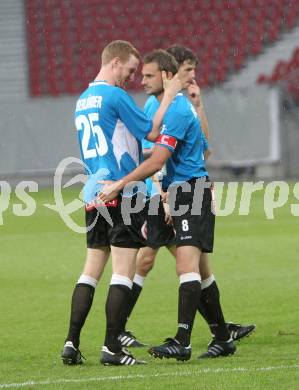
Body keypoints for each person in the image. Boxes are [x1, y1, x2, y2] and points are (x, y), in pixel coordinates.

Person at [99, 48, 236, 361]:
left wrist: (121, 183)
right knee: (190, 268)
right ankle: (221, 336)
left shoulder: (176, 109)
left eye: (148, 75)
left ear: (165, 75)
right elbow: (170, 151)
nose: (142, 81)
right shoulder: (165, 105)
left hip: (189, 192)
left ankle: (183, 341)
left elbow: (160, 158)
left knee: (185, 266)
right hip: (178, 192)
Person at [61, 40, 182, 366]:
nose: (131, 78)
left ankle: (71, 342)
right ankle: (112, 347)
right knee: (123, 273)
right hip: (121, 194)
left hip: (93, 193)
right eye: (129, 70)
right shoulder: (115, 95)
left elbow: (114, 144)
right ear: (115, 62)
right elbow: (153, 131)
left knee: (90, 272)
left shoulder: (83, 100)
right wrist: (169, 93)